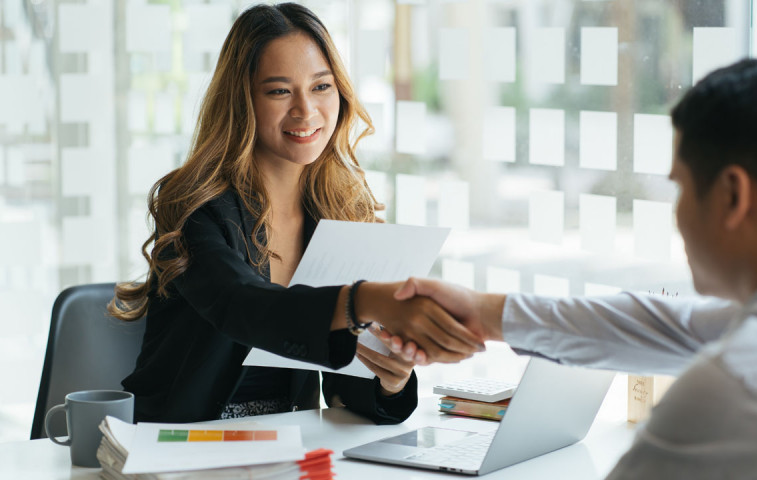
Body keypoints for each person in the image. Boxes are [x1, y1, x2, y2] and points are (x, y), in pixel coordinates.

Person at [386, 59, 757, 478]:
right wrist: (482, 312)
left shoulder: (736, 389)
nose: (678, 214)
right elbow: (673, 327)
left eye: (681, 188)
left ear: (733, 195)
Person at [108, 3, 482, 424]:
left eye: (321, 87)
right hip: (180, 445)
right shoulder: (194, 207)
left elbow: (343, 387)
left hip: (291, 448)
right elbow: (243, 305)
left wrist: (390, 380)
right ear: (243, 102)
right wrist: (363, 299)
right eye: (279, 91)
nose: (306, 111)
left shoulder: (340, 211)